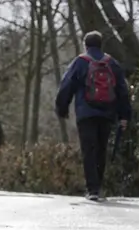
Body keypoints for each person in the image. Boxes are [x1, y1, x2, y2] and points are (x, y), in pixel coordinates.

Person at [55, 30, 132, 201]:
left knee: (89, 150)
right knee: (101, 149)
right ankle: (98, 186)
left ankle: (93, 189)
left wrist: (62, 108)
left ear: (85, 45)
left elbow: (67, 85)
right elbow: (122, 90)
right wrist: (124, 115)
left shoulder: (80, 62)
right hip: (107, 113)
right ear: (101, 45)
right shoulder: (112, 63)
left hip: (86, 113)